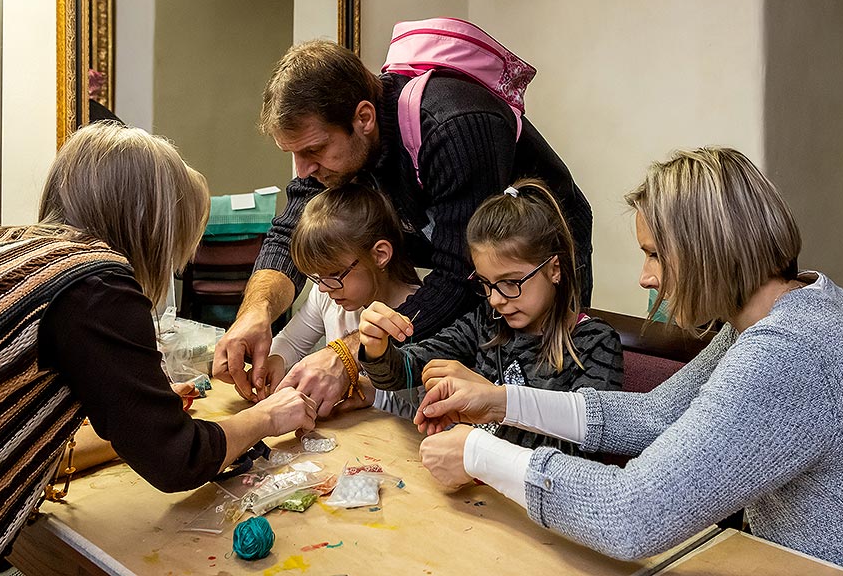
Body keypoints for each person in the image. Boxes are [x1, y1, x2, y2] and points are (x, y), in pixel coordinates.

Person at [413, 148, 843, 573]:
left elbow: (631, 517)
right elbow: (657, 415)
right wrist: (502, 402)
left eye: (655, 254)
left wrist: (480, 453)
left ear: (708, 249)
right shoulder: (798, 306)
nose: (645, 277)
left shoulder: (787, 350)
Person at [0, 122, 316, 576]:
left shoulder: (6, 243)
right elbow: (179, 459)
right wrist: (269, 417)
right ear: (148, 225)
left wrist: (142, 414)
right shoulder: (97, 283)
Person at [214, 38, 593, 415]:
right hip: (469, 277)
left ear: (363, 118)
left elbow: (461, 277)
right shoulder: (335, 144)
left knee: (535, 387)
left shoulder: (455, 126)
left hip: (540, 266)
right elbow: (288, 231)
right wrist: (255, 312)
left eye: (313, 150)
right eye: (293, 154)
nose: (303, 169)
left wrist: (347, 354)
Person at [357, 179, 622, 456]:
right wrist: (377, 348)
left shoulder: (595, 343)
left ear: (554, 268)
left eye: (511, 283)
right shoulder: (487, 322)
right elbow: (404, 371)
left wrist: (492, 401)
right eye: (486, 283)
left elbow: (577, 459)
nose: (496, 299)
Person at [264, 183, 425, 418]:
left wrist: (371, 394)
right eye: (317, 276)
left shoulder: (421, 315)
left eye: (334, 274)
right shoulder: (328, 295)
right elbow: (291, 342)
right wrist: (272, 364)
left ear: (380, 255)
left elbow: (431, 418)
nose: (323, 287)